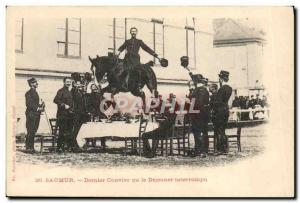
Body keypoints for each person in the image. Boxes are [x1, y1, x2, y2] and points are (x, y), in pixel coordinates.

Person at [189, 74, 210, 158]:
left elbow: (198, 103)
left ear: (196, 81)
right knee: (204, 132)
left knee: (198, 132)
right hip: (204, 114)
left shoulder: (199, 90)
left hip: (198, 114)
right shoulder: (204, 89)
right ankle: (204, 150)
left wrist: (191, 107)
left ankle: (200, 151)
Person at [54, 77, 74, 152]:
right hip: (62, 115)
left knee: (69, 132)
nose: (69, 83)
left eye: (70, 82)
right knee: (62, 132)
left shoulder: (70, 91)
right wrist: (63, 105)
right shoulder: (61, 91)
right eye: (67, 82)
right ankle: (59, 147)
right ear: (64, 82)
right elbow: (55, 100)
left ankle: (67, 147)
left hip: (69, 115)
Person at [214, 70, 232, 154]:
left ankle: (220, 149)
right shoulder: (229, 88)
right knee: (223, 130)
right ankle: (225, 148)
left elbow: (218, 101)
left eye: (219, 78)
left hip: (219, 112)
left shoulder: (221, 89)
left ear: (222, 79)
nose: (218, 79)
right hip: (226, 111)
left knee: (219, 130)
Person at [25, 78, 44, 153]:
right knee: (30, 130)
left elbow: (34, 104)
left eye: (36, 82)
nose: (37, 84)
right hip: (31, 115)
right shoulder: (28, 93)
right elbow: (28, 104)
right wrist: (37, 108)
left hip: (36, 114)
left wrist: (41, 105)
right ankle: (29, 148)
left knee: (33, 130)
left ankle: (30, 147)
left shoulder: (35, 92)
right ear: (31, 84)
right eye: (35, 82)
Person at [71, 81, 89, 152]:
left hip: (83, 115)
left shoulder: (83, 94)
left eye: (81, 85)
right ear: (75, 85)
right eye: (78, 84)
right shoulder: (74, 92)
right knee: (76, 130)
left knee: (82, 130)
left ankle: (82, 145)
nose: (80, 86)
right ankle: (74, 145)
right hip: (77, 114)